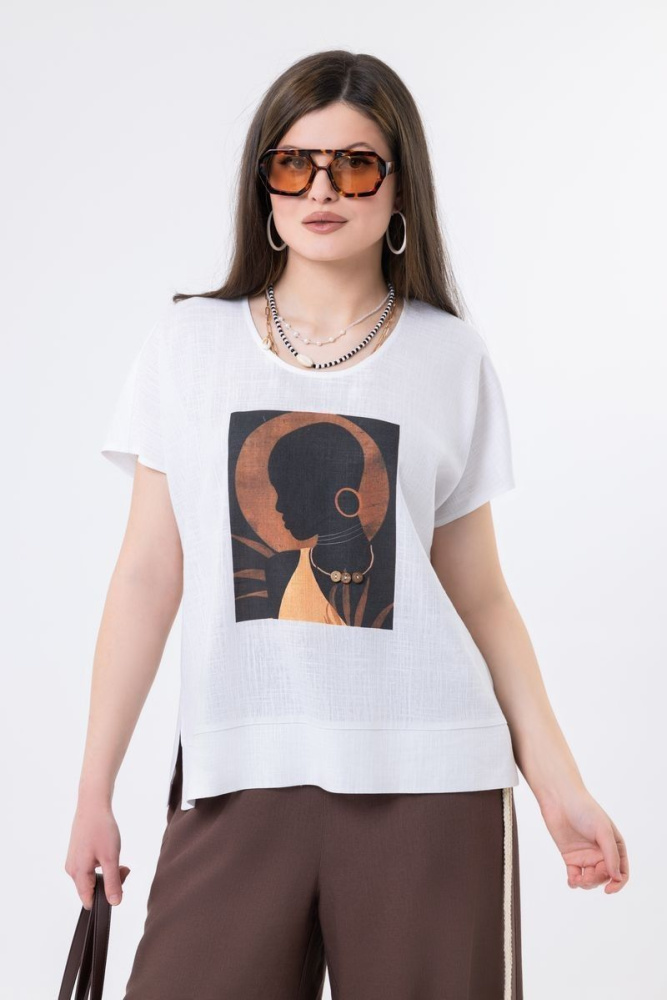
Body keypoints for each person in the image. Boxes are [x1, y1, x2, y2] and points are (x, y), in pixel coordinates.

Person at [64, 49, 629, 1000]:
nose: (321, 189)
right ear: (264, 184)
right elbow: (146, 576)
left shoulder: (449, 357)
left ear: (398, 187)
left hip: (431, 783)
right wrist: (94, 790)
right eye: (295, 164)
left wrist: (558, 785)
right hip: (236, 774)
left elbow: (481, 598)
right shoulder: (187, 346)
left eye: (355, 165)